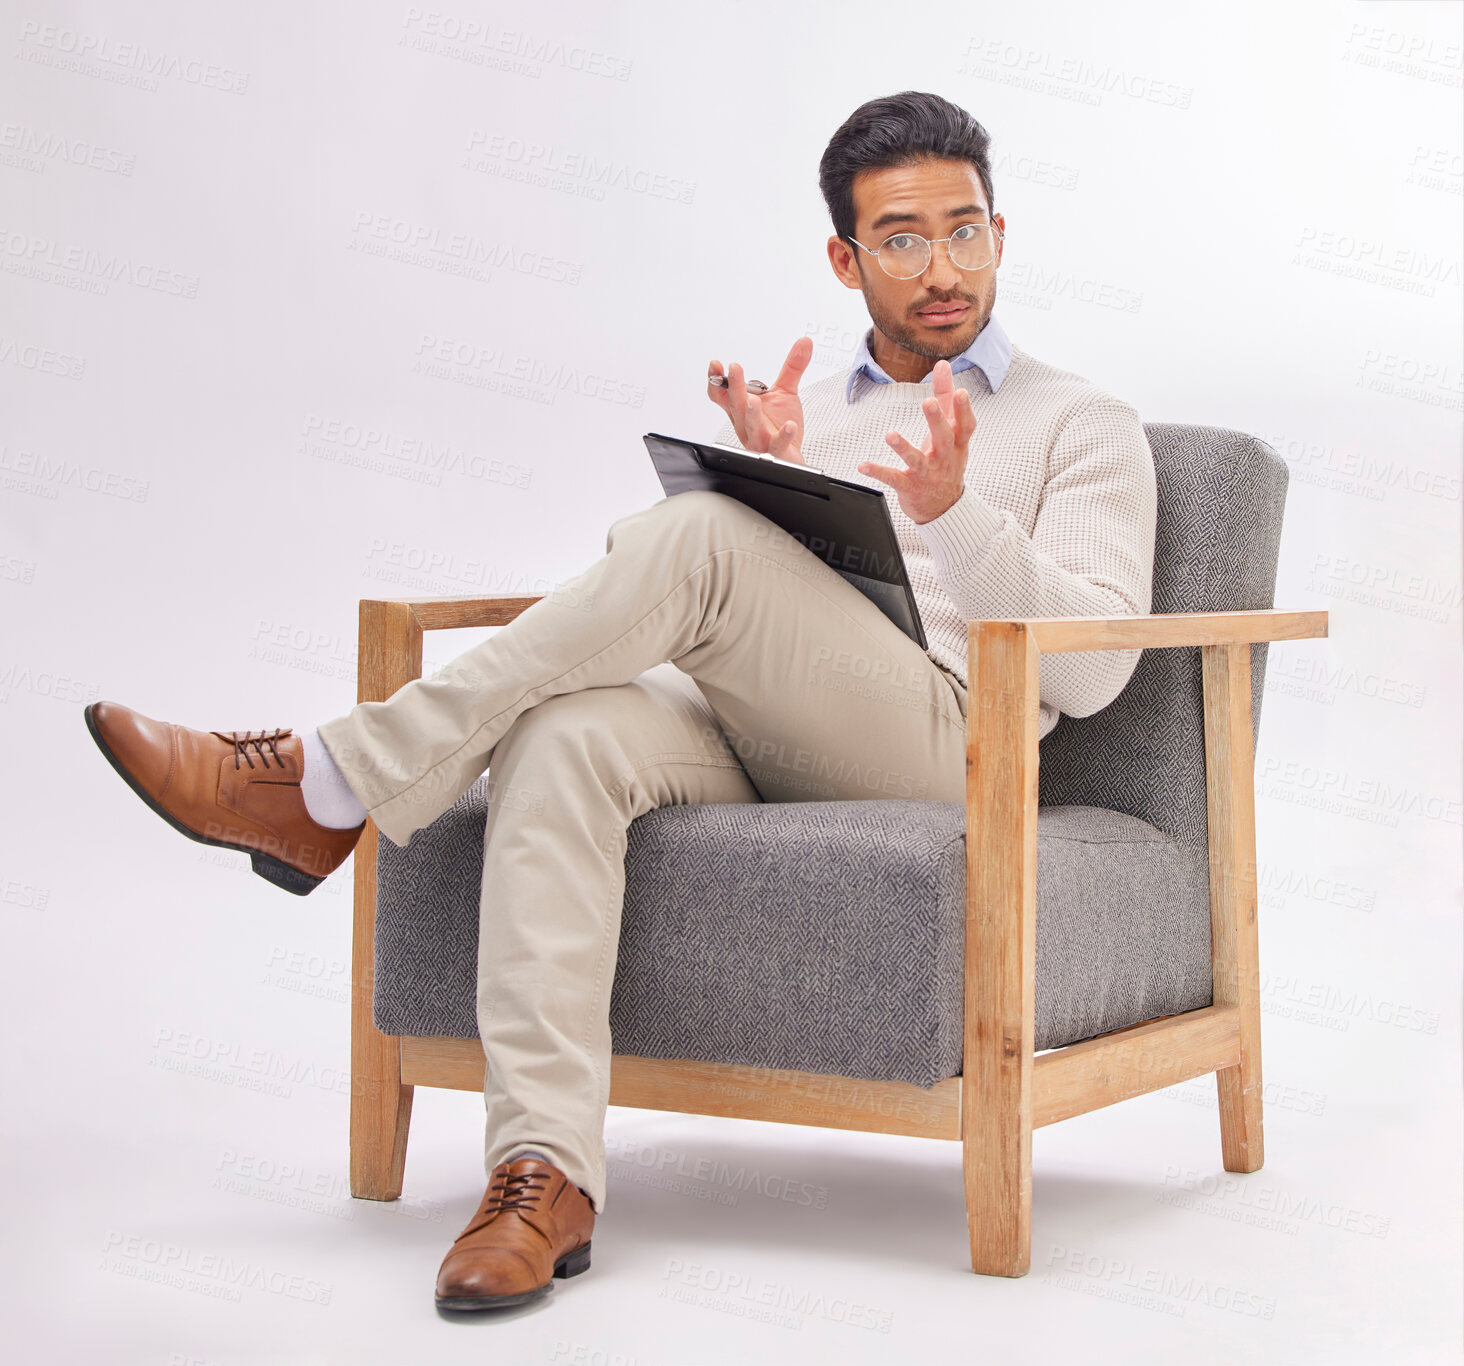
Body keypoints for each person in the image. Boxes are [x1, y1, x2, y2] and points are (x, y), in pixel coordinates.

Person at [83, 89, 1156, 1313]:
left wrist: (958, 511)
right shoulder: (837, 408)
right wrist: (780, 468)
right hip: (786, 728)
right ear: (845, 259)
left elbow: (1098, 667)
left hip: (954, 744)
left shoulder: (1086, 422)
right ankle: (542, 1171)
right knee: (563, 730)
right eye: (902, 240)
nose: (942, 266)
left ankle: (327, 781)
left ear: (1002, 235)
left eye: (965, 230)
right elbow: (798, 605)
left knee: (693, 538)